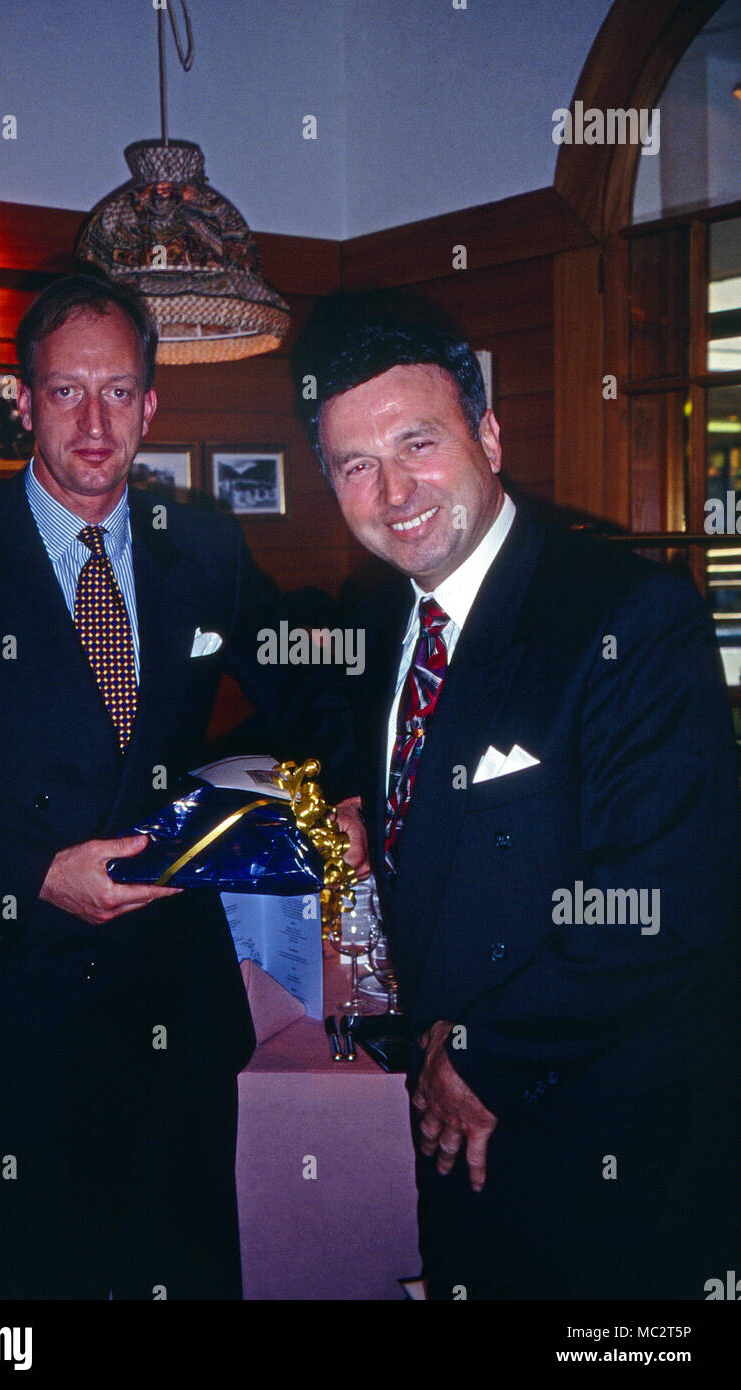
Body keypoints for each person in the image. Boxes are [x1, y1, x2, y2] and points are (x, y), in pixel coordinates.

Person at [0, 274, 366, 1300]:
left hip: (166, 1023)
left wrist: (343, 798)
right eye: (65, 393)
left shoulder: (200, 545)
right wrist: (32, 872)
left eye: (117, 393)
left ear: (151, 404)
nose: (93, 423)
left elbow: (302, 689)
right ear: (24, 400)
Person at [292, 294, 740, 1300]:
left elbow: (664, 904)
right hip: (447, 1116)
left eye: (417, 442)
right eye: (354, 464)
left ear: (486, 433)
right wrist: (361, 809)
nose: (392, 489)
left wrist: (481, 1059)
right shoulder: (378, 611)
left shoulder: (630, 614)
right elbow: (387, 748)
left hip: (594, 1135)